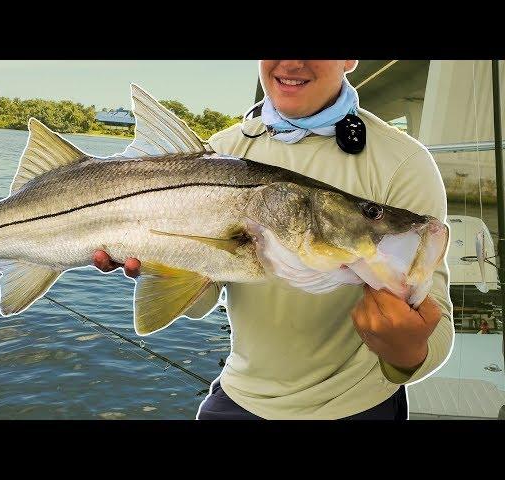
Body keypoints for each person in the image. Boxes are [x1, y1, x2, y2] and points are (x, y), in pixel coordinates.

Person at [93, 60, 453, 420]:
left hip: (355, 405)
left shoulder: (404, 162)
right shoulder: (222, 150)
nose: (293, 62)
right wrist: (159, 265)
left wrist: (408, 351)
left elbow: (438, 335)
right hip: (239, 395)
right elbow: (202, 300)